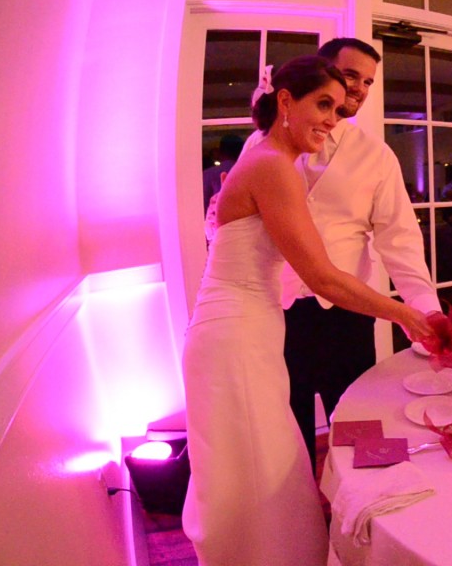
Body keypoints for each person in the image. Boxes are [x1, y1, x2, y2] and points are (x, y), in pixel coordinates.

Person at [181, 56, 433, 566]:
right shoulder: (271, 163)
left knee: (263, 464)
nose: (332, 118)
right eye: (323, 103)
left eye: (338, 110)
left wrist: (417, 299)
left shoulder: (272, 160)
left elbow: (397, 239)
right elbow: (319, 275)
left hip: (247, 329)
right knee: (259, 466)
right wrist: (407, 315)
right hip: (239, 336)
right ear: (285, 101)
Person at [245, 38, 442, 468]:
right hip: (272, 312)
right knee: (284, 429)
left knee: (358, 424)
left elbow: (400, 239)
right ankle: (300, 518)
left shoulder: (377, 156)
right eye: (351, 75)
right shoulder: (260, 147)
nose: (359, 89)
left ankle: (360, 519)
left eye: (368, 81)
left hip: (347, 312)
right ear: (323, 72)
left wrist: (424, 308)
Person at [202, 134, 244, 214]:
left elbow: (203, 204)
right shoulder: (248, 172)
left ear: (220, 152)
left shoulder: (209, 174)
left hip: (214, 221)